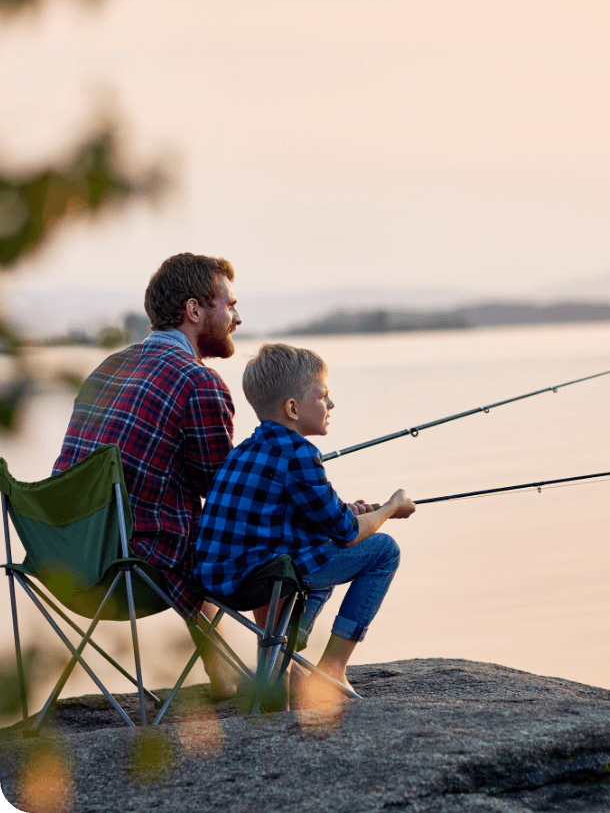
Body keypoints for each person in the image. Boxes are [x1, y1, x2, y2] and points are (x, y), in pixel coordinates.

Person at [53, 252, 242, 697]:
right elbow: (221, 493)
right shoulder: (199, 382)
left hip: (65, 559)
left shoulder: (107, 368)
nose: (237, 317)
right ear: (195, 311)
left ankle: (225, 671)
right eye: (229, 305)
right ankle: (271, 675)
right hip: (130, 569)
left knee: (187, 524)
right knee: (246, 527)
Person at [194, 342, 416, 699]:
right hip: (263, 580)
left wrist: (349, 509)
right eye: (324, 396)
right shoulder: (299, 453)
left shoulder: (243, 451)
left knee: (317, 545)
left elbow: (293, 512)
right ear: (293, 408)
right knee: (383, 550)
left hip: (217, 582)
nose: (331, 405)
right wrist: (391, 507)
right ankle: (331, 669)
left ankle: (284, 663)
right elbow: (345, 532)